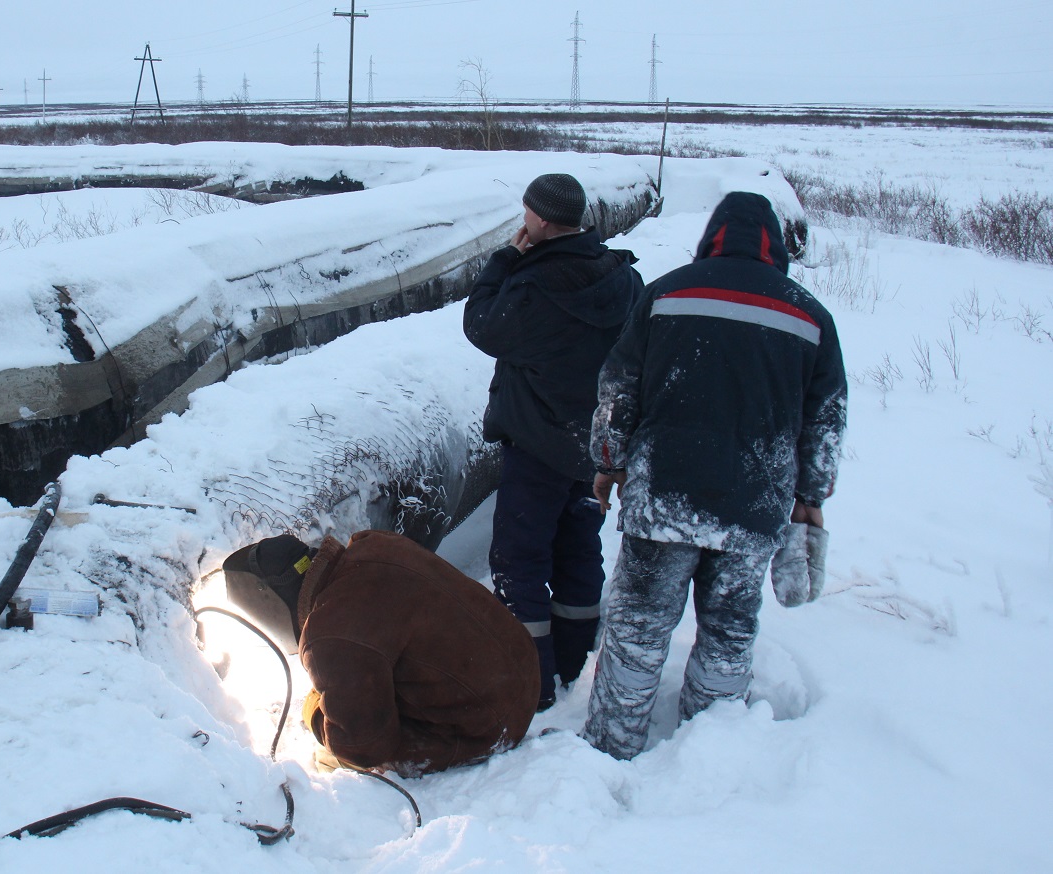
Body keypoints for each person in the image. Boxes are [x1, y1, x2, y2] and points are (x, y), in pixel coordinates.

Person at [582, 191, 847, 760]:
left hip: (665, 498)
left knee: (638, 628)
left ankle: (608, 749)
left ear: (712, 237)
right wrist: (810, 496)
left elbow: (618, 389)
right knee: (728, 632)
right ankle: (710, 752)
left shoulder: (667, 293)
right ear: (775, 246)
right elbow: (825, 420)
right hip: (754, 506)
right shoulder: (810, 316)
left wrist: (609, 461)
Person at [462, 172, 645, 707]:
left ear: (539, 219)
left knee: (521, 559)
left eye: (526, 214)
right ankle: (573, 660)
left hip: (538, 445)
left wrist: (504, 261)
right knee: (579, 550)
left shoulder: (533, 284)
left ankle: (533, 682)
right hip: (595, 449)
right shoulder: (623, 279)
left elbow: (481, 326)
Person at [221, 530, 540, 776]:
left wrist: (315, 713)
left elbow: (361, 746)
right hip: (522, 677)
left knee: (334, 758)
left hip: (488, 728)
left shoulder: (331, 632)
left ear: (271, 609)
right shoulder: (373, 545)